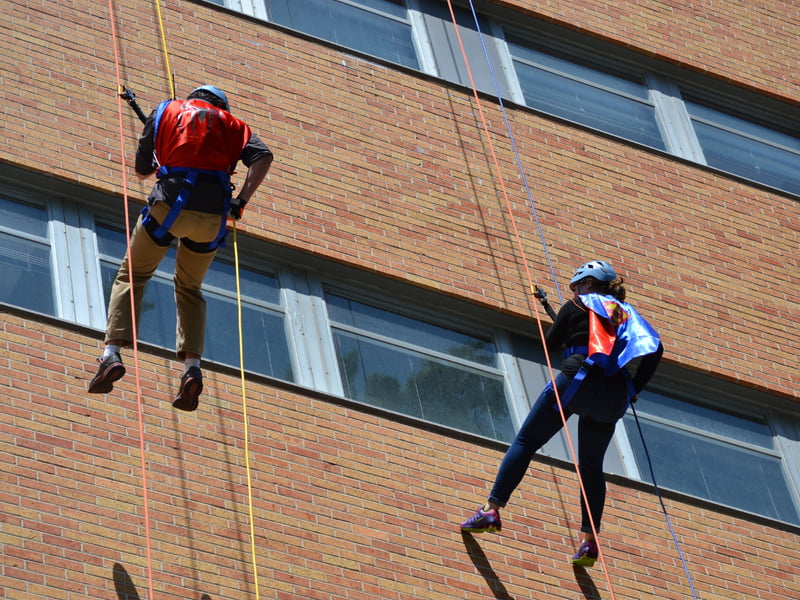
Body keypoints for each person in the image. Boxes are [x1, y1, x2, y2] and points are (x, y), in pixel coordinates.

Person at [460, 260, 664, 567]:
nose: (577, 291)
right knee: (591, 467)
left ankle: (492, 508)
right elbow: (655, 349)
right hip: (613, 397)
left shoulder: (577, 305)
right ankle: (589, 543)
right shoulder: (627, 316)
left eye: (579, 285)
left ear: (589, 284)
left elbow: (551, 343)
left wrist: (566, 330)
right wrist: (635, 387)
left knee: (527, 442)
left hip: (578, 380)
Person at [88, 85, 273, 411]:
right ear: (221, 106)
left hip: (168, 208)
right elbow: (263, 156)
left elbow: (142, 171)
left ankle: (111, 354)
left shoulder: (165, 112)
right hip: (211, 218)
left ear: (192, 100)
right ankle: (191, 368)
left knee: (132, 274)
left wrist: (164, 156)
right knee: (189, 287)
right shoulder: (233, 124)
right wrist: (241, 200)